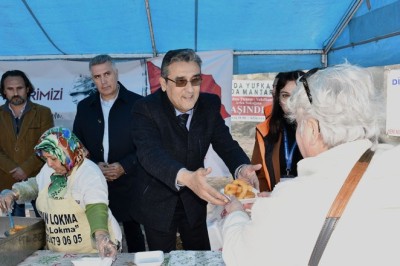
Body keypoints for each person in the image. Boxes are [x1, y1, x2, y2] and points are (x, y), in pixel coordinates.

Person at [221, 63, 400, 265]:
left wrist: (236, 214)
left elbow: (241, 256)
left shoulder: (291, 201)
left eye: (299, 124)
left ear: (312, 130)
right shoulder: (393, 165)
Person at [131, 48, 261, 253]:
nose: (190, 90)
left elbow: (225, 143)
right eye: (181, 81)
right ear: (164, 83)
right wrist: (186, 177)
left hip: (194, 199)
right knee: (162, 258)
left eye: (195, 80)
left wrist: (242, 168)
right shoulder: (145, 108)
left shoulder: (209, 104)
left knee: (200, 255)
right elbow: (149, 153)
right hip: (157, 199)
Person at [0, 127, 121, 260]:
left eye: (52, 158)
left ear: (67, 153)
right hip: (58, 254)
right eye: (45, 158)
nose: (49, 164)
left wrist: (101, 237)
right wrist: (14, 193)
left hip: (91, 253)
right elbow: (36, 184)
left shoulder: (89, 173)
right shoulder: (49, 168)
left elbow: (96, 209)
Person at [73, 54, 146, 252]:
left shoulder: (138, 104)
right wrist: (94, 165)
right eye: (97, 77)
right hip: (95, 182)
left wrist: (124, 166)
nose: (103, 81)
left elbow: (147, 145)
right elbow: (77, 145)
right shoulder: (84, 107)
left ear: (116, 73)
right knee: (99, 232)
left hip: (131, 181)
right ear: (92, 79)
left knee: (134, 234)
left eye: (107, 74)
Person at [0, 70, 54, 217]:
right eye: (10, 89)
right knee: (11, 232)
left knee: (44, 228)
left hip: (37, 180)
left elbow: (47, 145)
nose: (15, 92)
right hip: (5, 181)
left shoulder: (43, 112)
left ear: (28, 88)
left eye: (20, 88)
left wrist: (25, 169)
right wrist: (14, 169)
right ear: (4, 91)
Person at [251, 70, 305, 191]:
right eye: (285, 95)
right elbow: (259, 174)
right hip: (274, 199)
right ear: (278, 98)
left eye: (296, 95)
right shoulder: (265, 130)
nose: (291, 102)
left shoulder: (320, 129)